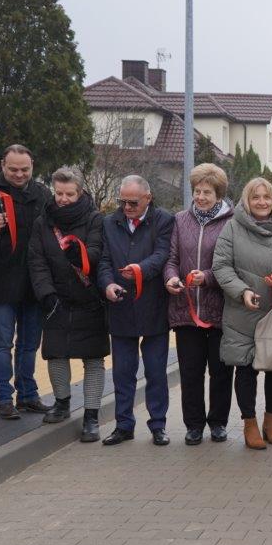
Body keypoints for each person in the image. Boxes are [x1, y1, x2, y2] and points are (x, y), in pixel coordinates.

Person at [212, 177, 272, 450]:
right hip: (242, 312)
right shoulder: (232, 228)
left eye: (266, 197)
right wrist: (242, 291)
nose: (262, 202)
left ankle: (270, 421)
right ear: (246, 201)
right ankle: (249, 423)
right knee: (246, 370)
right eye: (255, 197)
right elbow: (221, 267)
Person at [0, 145, 51, 419]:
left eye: (25, 169)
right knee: (2, 343)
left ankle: (28, 394)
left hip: (35, 281)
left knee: (30, 344)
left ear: (32, 167)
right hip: (2, 280)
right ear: (3, 165)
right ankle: (3, 397)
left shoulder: (42, 193)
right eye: (13, 169)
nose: (19, 174)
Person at [28, 167, 108, 443]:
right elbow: (36, 261)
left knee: (94, 359)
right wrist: (46, 294)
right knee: (56, 354)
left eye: (69, 194)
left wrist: (82, 254)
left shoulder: (95, 219)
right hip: (56, 300)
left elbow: (99, 253)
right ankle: (62, 403)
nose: (62, 199)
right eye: (58, 193)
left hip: (90, 300)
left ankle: (91, 417)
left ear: (81, 192)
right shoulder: (43, 222)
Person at [99, 175, 175, 446]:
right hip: (120, 306)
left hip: (153, 306)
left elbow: (162, 255)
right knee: (122, 372)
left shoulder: (164, 220)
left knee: (155, 371)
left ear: (148, 198)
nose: (127, 207)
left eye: (133, 202)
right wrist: (107, 284)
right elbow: (104, 260)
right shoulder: (109, 222)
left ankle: (158, 425)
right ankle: (123, 425)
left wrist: (140, 270)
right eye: (123, 202)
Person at [164, 163, 235, 445]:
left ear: (218, 194)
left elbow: (233, 265)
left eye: (207, 192)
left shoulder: (232, 222)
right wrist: (171, 279)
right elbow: (171, 259)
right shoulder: (180, 220)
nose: (201, 197)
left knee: (220, 372)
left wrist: (206, 277)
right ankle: (194, 425)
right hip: (186, 312)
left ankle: (218, 422)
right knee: (190, 372)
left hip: (219, 311)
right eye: (197, 191)